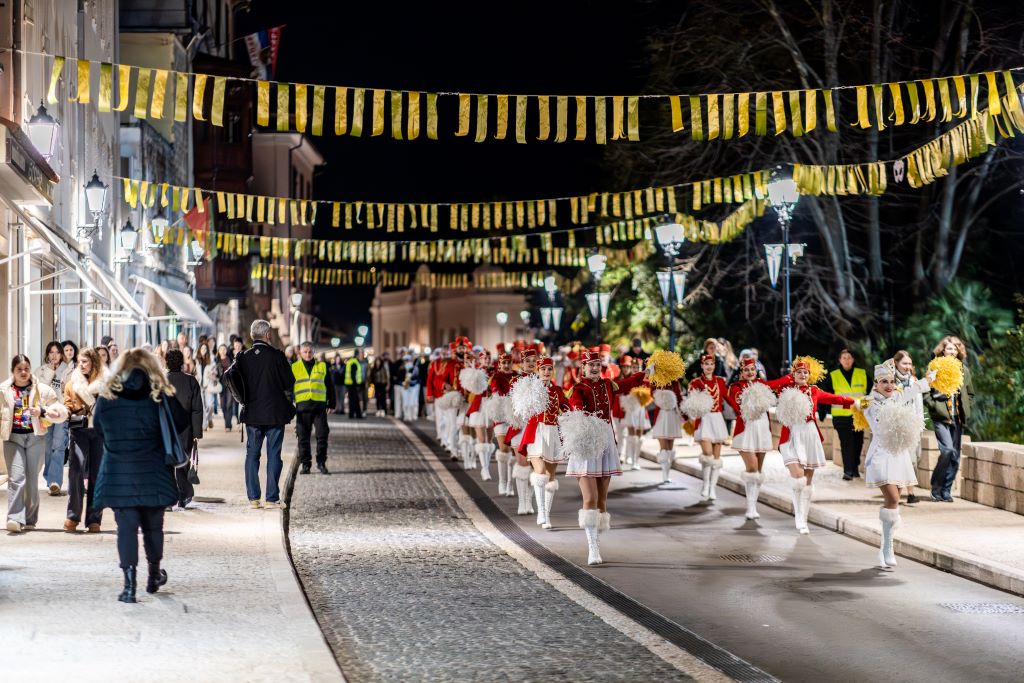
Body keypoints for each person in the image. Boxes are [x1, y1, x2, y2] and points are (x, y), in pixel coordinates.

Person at [93, 348, 189, 603]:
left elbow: (98, 428)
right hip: (154, 472)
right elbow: (181, 421)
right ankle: (154, 575)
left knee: (125, 528)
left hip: (119, 474)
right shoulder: (159, 396)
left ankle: (129, 586)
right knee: (153, 527)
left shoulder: (107, 396)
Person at [565, 350, 647, 565]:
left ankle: (596, 539)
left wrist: (647, 372)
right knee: (590, 498)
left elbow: (629, 383)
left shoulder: (609, 385)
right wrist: (583, 419)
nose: (594, 368)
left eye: (597, 364)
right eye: (590, 365)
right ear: (583, 368)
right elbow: (576, 407)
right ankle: (592, 549)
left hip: (607, 442)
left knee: (601, 501)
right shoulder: (578, 388)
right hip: (586, 443)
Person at [770, 358, 856, 534]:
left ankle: (803, 518)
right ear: (793, 374)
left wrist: (854, 402)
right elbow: (771, 385)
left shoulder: (814, 391)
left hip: (809, 434)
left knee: (807, 481)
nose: (802, 375)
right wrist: (787, 378)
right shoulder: (785, 389)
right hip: (791, 435)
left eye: (805, 372)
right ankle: (798, 516)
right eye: (799, 372)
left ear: (810, 375)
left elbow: (834, 398)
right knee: (798, 478)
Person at [863, 363, 935, 568]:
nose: (889, 385)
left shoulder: (897, 397)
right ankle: (887, 546)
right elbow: (880, 425)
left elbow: (913, 390)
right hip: (880, 455)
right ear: (876, 384)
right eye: (884, 382)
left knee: (893, 504)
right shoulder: (869, 403)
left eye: (892, 381)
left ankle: (887, 546)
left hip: (898, 456)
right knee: (893, 498)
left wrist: (929, 379)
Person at [2, 354, 69, 532]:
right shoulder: (4, 390)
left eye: (26, 369)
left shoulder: (41, 389)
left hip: (36, 438)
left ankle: (30, 519)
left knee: (31, 480)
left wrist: (43, 411)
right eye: (19, 369)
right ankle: (15, 518)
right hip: (13, 439)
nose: (23, 372)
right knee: (17, 478)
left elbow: (59, 409)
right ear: (13, 371)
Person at [235, 320, 296, 509]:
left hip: (252, 413)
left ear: (252, 335)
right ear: (268, 335)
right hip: (274, 413)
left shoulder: (243, 357)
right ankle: (271, 498)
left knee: (252, 455)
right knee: (274, 454)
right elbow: (289, 382)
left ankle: (253, 498)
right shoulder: (277, 356)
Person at [517, 356, 570, 529]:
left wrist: (572, 415)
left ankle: (547, 513)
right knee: (539, 472)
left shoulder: (558, 390)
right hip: (536, 431)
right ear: (538, 371)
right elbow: (521, 406)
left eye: (549, 369)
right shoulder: (531, 387)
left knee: (550, 476)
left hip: (553, 433)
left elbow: (566, 407)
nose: (546, 372)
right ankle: (541, 511)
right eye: (543, 369)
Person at [63, 347, 110, 532]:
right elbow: (67, 404)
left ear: (93, 362)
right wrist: (65, 412)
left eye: (85, 361)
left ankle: (94, 519)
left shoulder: (106, 383)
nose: (81, 365)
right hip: (79, 430)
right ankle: (72, 515)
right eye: (79, 362)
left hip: (100, 432)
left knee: (97, 475)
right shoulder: (72, 383)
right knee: (75, 470)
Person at [924, 336, 975, 502]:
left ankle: (946, 490)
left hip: (957, 417)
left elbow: (970, 393)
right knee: (947, 450)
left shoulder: (963, 370)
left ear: (959, 351)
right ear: (943, 350)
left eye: (955, 349)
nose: (952, 351)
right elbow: (925, 390)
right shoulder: (935, 366)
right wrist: (933, 405)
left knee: (955, 456)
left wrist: (966, 406)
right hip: (941, 417)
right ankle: (936, 486)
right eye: (949, 348)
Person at [726, 357, 774, 520]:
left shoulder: (762, 385)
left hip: (762, 429)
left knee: (758, 472)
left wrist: (792, 377)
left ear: (756, 370)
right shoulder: (736, 387)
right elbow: (737, 407)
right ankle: (750, 507)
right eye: (746, 370)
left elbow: (777, 384)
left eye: (752, 369)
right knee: (752, 468)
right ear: (741, 372)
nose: (750, 372)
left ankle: (754, 505)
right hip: (745, 431)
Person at [820, 349, 869, 480]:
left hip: (858, 416)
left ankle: (854, 468)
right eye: (844, 358)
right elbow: (825, 395)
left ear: (853, 360)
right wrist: (822, 411)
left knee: (858, 442)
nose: (847, 360)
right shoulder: (833, 375)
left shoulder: (862, 374)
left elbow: (871, 394)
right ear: (840, 360)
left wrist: (866, 408)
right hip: (841, 416)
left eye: (849, 357)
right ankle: (848, 470)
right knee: (847, 442)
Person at [688, 354, 730, 501]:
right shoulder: (696, 383)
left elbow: (728, 398)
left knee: (716, 458)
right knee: (707, 454)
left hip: (717, 419)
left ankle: (712, 487)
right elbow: (691, 401)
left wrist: (741, 411)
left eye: (712, 364)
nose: (709, 366)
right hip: (704, 419)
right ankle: (705, 484)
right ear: (702, 365)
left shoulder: (720, 381)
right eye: (706, 364)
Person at [166, 349, 203, 509]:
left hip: (165, 428)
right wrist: (197, 433)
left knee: (166, 464)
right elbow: (197, 409)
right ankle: (184, 495)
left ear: (166, 362)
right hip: (185, 428)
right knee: (183, 462)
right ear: (181, 363)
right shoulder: (191, 381)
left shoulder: (160, 381)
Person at [293, 341, 336, 475]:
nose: (308, 354)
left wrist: (332, 403)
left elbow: (330, 386)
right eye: (305, 352)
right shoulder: (294, 367)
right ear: (300, 352)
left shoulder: (322, 366)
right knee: (303, 437)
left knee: (322, 435)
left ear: (314, 352)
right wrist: (289, 402)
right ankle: (306, 464)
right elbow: (288, 387)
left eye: (310, 352)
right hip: (302, 408)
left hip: (319, 408)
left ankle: (321, 463)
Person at [36, 341, 72, 495]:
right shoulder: (41, 370)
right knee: (48, 446)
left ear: (61, 354)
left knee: (58, 446)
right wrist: (50, 371)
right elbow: (40, 389)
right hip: (45, 413)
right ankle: (49, 476)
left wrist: (65, 389)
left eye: (57, 352)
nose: (54, 355)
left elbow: (70, 393)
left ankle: (54, 481)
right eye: (51, 352)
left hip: (61, 413)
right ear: (47, 354)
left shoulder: (68, 370)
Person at [890, 350, 925, 504]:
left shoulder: (914, 381)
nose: (907, 366)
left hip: (911, 426)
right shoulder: (889, 380)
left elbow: (919, 405)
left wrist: (920, 425)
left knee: (913, 460)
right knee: (898, 460)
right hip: (895, 427)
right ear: (896, 363)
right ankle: (901, 493)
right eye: (904, 363)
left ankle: (910, 492)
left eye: (910, 363)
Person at [394, 355, 420, 422]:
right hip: (404, 388)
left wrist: (410, 381)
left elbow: (416, 379)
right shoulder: (401, 369)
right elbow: (398, 378)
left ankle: (412, 415)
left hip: (412, 388)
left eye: (408, 360)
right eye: (405, 361)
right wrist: (402, 383)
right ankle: (406, 415)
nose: (407, 362)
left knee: (412, 402)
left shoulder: (414, 369)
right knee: (405, 403)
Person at [217, 344, 236, 432]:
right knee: (223, 405)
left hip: (230, 384)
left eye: (224, 349)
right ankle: (227, 422)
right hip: (221, 384)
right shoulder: (216, 361)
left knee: (229, 404)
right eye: (221, 349)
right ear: (218, 351)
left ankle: (228, 425)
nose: (223, 350)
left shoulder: (231, 359)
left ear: (226, 350)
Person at [344, 350, 364, 419]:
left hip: (350, 384)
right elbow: (353, 374)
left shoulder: (351, 361)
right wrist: (356, 384)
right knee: (354, 400)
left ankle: (354, 414)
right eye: (361, 354)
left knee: (354, 400)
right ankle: (355, 414)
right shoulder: (354, 362)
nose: (362, 355)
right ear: (357, 355)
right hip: (353, 385)